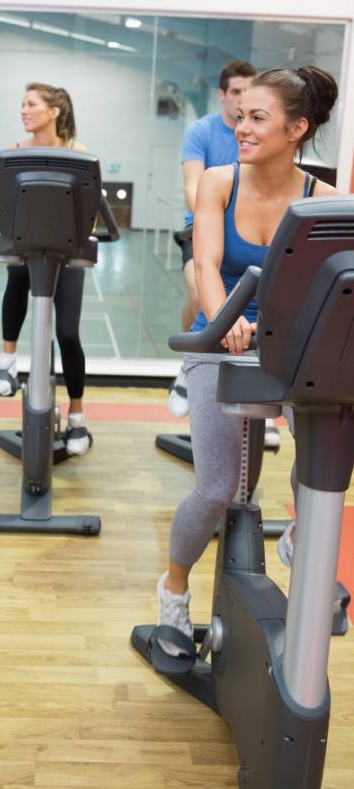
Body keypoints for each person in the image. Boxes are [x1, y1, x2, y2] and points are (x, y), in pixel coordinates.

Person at [156, 65, 339, 655]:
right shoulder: (218, 181)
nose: (242, 126)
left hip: (289, 347)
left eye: (259, 118)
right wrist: (225, 317)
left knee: (326, 476)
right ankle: (174, 591)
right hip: (220, 339)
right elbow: (207, 265)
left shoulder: (327, 200)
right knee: (216, 487)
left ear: (297, 129)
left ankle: (301, 544)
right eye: (241, 115)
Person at [0, 82, 92, 455]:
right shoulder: (14, 154)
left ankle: (78, 417)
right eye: (22, 104)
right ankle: (7, 363)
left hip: (67, 256)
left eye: (31, 104)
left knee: (67, 334)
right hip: (27, 250)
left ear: (54, 111)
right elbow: (2, 207)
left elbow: (91, 214)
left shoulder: (78, 154)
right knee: (15, 276)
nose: (23, 110)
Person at [169, 61, 258, 418]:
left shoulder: (258, 135)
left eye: (249, 93)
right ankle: (192, 358)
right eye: (236, 92)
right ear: (222, 94)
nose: (242, 100)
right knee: (199, 293)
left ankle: (254, 379)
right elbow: (193, 187)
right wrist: (215, 210)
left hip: (249, 231)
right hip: (203, 226)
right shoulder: (201, 131)